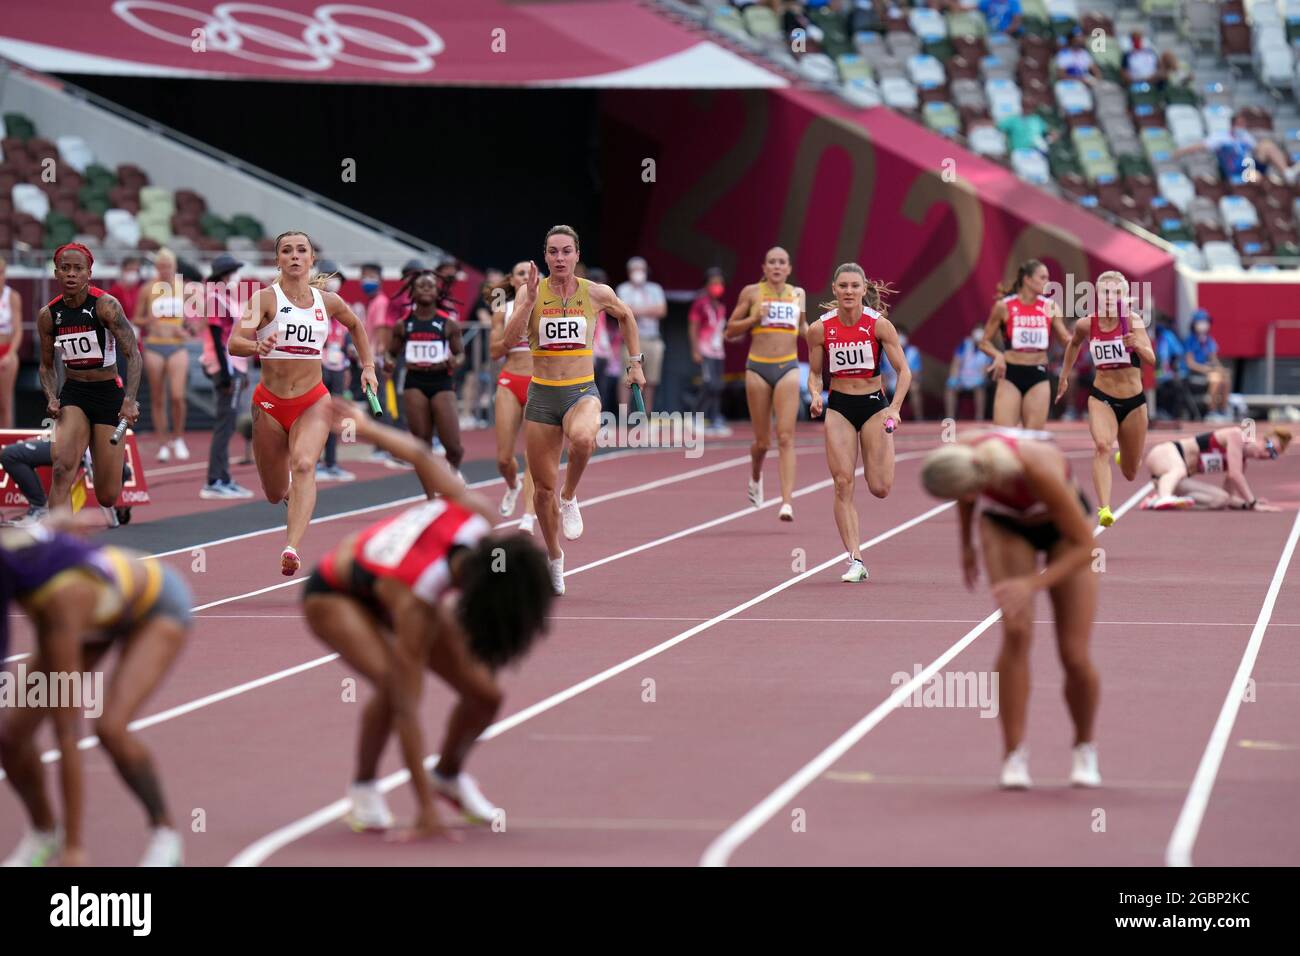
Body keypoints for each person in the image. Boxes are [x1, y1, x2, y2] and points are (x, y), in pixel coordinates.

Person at [302, 400, 554, 837]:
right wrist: (425, 814)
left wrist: (368, 428)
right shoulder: (416, 599)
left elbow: (423, 456)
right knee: (393, 685)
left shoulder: (481, 518)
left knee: (486, 695)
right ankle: (364, 789)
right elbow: (407, 709)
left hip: (397, 582)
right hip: (335, 593)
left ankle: (449, 775)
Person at [0, 523, 192, 866]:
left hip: (155, 606)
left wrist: (77, 849)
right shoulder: (14, 554)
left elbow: (67, 733)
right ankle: (44, 833)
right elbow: (48, 524)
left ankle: (164, 833)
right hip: (97, 611)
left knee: (110, 728)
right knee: (10, 735)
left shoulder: (61, 602)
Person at [921, 430, 1101, 790]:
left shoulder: (1036, 468)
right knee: (1017, 633)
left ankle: (1084, 746)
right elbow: (964, 495)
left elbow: (1087, 547)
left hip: (1065, 531)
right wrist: (966, 545)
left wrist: (1031, 584)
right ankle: (1013, 753)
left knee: (1074, 653)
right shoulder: (965, 457)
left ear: (975, 486)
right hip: (1005, 527)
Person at [502, 225, 645, 595]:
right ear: (545, 256)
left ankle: (571, 496)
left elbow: (627, 317)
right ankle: (554, 557)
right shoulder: (528, 292)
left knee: (583, 439)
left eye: (566, 251)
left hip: (581, 390)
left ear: (577, 255)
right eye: (553, 252)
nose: (560, 258)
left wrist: (635, 363)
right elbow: (508, 339)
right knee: (540, 493)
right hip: (542, 396)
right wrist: (530, 300)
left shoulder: (596, 293)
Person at [227, 231, 378, 575]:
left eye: (301, 251)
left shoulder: (328, 302)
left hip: (313, 400)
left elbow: (356, 325)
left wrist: (368, 367)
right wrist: (257, 347)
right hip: (269, 405)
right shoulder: (265, 299)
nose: (294, 256)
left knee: (306, 464)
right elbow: (236, 342)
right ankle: (291, 496)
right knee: (275, 490)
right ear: (278, 260)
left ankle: (291, 547)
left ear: (311, 259)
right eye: (286, 251)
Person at [806, 265, 910, 583]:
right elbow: (813, 372)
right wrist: (815, 395)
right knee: (842, 483)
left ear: (864, 289)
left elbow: (904, 371)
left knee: (880, 488)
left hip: (873, 407)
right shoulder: (819, 329)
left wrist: (894, 408)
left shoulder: (879, 326)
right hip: (839, 407)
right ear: (834, 290)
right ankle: (855, 559)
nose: (849, 291)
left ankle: (882, 446)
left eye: (855, 286)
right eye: (843, 286)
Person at [38, 243, 141, 513]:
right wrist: (51, 397)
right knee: (61, 469)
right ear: (56, 273)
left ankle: (118, 468)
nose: (71, 274)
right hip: (74, 394)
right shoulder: (49, 315)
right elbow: (46, 366)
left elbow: (133, 354)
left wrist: (129, 400)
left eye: (77, 269)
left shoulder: (106, 306)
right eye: (65, 268)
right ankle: (59, 546)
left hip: (108, 394)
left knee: (107, 495)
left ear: (88, 273)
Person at [1055, 271, 1155, 527]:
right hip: (1102, 397)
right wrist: (1064, 376)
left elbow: (1151, 360)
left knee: (1131, 471)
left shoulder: (1133, 322)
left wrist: (1138, 345)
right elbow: (1074, 344)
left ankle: (1127, 455)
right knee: (1101, 446)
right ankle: (1104, 509)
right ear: (1097, 296)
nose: (1109, 297)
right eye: (1105, 293)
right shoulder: (1087, 324)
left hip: (1133, 402)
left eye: (1115, 292)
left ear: (1123, 296)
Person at [726, 247, 808, 520]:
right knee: (763, 442)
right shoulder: (752, 293)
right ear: (764, 268)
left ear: (789, 268)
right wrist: (753, 319)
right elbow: (730, 330)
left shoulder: (797, 294)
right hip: (758, 368)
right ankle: (756, 474)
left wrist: (824, 338)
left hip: (788, 366)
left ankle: (787, 502)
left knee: (786, 437)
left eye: (781, 262)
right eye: (771, 262)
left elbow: (804, 329)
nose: (776, 266)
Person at [980, 259, 1070, 430]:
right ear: (1027, 279)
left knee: (1033, 437)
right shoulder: (1004, 306)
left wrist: (1088, 333)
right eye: (1043, 277)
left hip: (1038, 374)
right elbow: (984, 342)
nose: (1047, 282)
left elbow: (1065, 339)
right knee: (1004, 436)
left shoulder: (1050, 306)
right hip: (1010, 373)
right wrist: (997, 355)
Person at [390, 271, 464, 473]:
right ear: (412, 291)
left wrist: (453, 361)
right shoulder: (403, 324)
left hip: (442, 381)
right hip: (414, 381)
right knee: (423, 446)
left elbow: (460, 355)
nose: (425, 289)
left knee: (454, 448)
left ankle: (453, 478)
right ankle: (431, 496)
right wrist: (388, 364)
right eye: (420, 286)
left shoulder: (448, 323)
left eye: (430, 286)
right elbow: (391, 354)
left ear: (437, 292)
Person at [199, 253, 255, 499]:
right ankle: (215, 480)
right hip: (224, 366)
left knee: (228, 423)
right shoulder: (214, 298)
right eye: (233, 272)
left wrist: (241, 371)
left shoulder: (228, 298)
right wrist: (226, 373)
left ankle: (223, 477)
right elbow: (215, 336)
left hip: (235, 366)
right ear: (223, 276)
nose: (237, 276)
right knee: (225, 424)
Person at [490, 261, 538, 535]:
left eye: (530, 273)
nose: (525, 277)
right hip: (510, 380)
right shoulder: (502, 310)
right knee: (504, 459)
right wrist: (512, 335)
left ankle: (528, 516)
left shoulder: (548, 308)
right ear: (512, 280)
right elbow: (495, 352)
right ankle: (512, 485)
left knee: (532, 453)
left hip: (538, 382)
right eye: (520, 273)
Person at [1142, 424, 1291, 510]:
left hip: (1172, 479)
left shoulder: (1241, 462)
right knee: (1179, 469)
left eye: (1273, 455)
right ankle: (1164, 497)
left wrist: (1246, 504)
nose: (1266, 454)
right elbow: (1235, 475)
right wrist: (1253, 503)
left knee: (1220, 500)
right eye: (1269, 447)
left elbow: (1228, 496)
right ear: (1261, 438)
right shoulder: (1237, 436)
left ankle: (1160, 500)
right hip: (1165, 454)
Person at [133, 249, 192, 461]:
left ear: (175, 267)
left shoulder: (183, 289)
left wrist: (188, 331)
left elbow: (196, 318)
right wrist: (149, 320)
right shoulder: (148, 289)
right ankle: (163, 443)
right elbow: (136, 319)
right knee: (158, 398)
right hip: (154, 346)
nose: (166, 270)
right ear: (157, 267)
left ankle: (178, 437)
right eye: (162, 266)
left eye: (169, 266)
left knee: (178, 396)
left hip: (176, 346)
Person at [1, 432, 132, 527]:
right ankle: (41, 508)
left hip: (81, 443)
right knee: (10, 454)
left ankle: (44, 511)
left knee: (11, 455)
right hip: (62, 436)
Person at [314, 260, 356, 483]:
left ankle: (331, 463)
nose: (335, 282)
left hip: (337, 366)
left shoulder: (341, 305)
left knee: (335, 415)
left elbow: (346, 336)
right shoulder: (310, 303)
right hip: (318, 365)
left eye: (337, 277)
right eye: (330, 276)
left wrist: (348, 367)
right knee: (316, 416)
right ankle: (315, 462)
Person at [1174, 114, 1300, 186]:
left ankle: (1286, 172)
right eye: (1239, 124)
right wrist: (1180, 152)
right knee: (1256, 177)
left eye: (1243, 124)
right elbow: (1200, 146)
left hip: (1251, 163)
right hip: (1237, 169)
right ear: (1233, 125)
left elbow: (1257, 150)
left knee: (1267, 145)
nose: (1242, 127)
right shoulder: (1220, 137)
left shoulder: (1245, 135)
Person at [615, 257, 667, 414]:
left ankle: (646, 414)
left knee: (651, 379)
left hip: (652, 340)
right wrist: (648, 310)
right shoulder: (623, 289)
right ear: (629, 272)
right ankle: (624, 415)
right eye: (635, 269)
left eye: (641, 269)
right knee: (626, 379)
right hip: (630, 340)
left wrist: (636, 310)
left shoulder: (655, 289)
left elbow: (662, 311)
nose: (638, 273)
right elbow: (622, 312)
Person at [688, 268, 732, 436]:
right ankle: (695, 417)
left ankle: (715, 419)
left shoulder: (720, 306)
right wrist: (695, 350)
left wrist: (732, 336)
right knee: (708, 384)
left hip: (718, 352)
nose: (717, 286)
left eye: (720, 283)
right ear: (706, 285)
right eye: (714, 283)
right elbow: (693, 327)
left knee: (718, 386)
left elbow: (720, 330)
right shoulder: (700, 303)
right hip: (704, 350)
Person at [1183, 310, 1231, 420]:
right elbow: (1190, 364)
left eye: (1205, 321)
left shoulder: (1209, 340)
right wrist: (1207, 370)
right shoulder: (1189, 340)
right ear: (1194, 324)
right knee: (1216, 379)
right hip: (1194, 373)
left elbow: (1214, 359)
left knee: (1226, 378)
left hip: (1208, 371)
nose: (1203, 324)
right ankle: (1211, 411)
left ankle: (1223, 410)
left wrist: (1221, 370)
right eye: (1200, 321)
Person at [945, 327, 992, 421]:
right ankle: (950, 418)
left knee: (980, 389)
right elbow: (956, 364)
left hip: (978, 380)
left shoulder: (989, 348)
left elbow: (986, 370)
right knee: (950, 389)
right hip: (962, 379)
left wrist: (980, 381)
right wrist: (953, 379)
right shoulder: (964, 344)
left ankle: (979, 419)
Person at [881, 326, 923, 422]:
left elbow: (916, 373)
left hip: (907, 382)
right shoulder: (885, 352)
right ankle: (881, 418)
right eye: (897, 334)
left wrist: (904, 381)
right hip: (890, 382)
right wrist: (885, 382)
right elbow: (882, 372)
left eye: (901, 334)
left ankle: (919, 418)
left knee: (914, 387)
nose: (899, 337)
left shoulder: (913, 352)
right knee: (880, 387)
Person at [0, 257, 22, 429]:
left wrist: (11, 353)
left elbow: (18, 329)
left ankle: (5, 444)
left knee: (5, 402)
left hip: (6, 351)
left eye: (1, 273)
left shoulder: (12, 296)